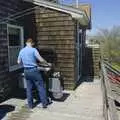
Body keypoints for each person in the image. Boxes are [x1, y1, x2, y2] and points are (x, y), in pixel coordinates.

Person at [17, 38, 51, 109]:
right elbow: (40, 59)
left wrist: (26, 62)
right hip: (34, 71)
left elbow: (18, 62)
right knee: (41, 87)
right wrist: (47, 64)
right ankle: (44, 104)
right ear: (32, 43)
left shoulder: (21, 50)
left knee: (29, 89)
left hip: (26, 71)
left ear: (26, 43)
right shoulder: (33, 50)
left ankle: (30, 106)